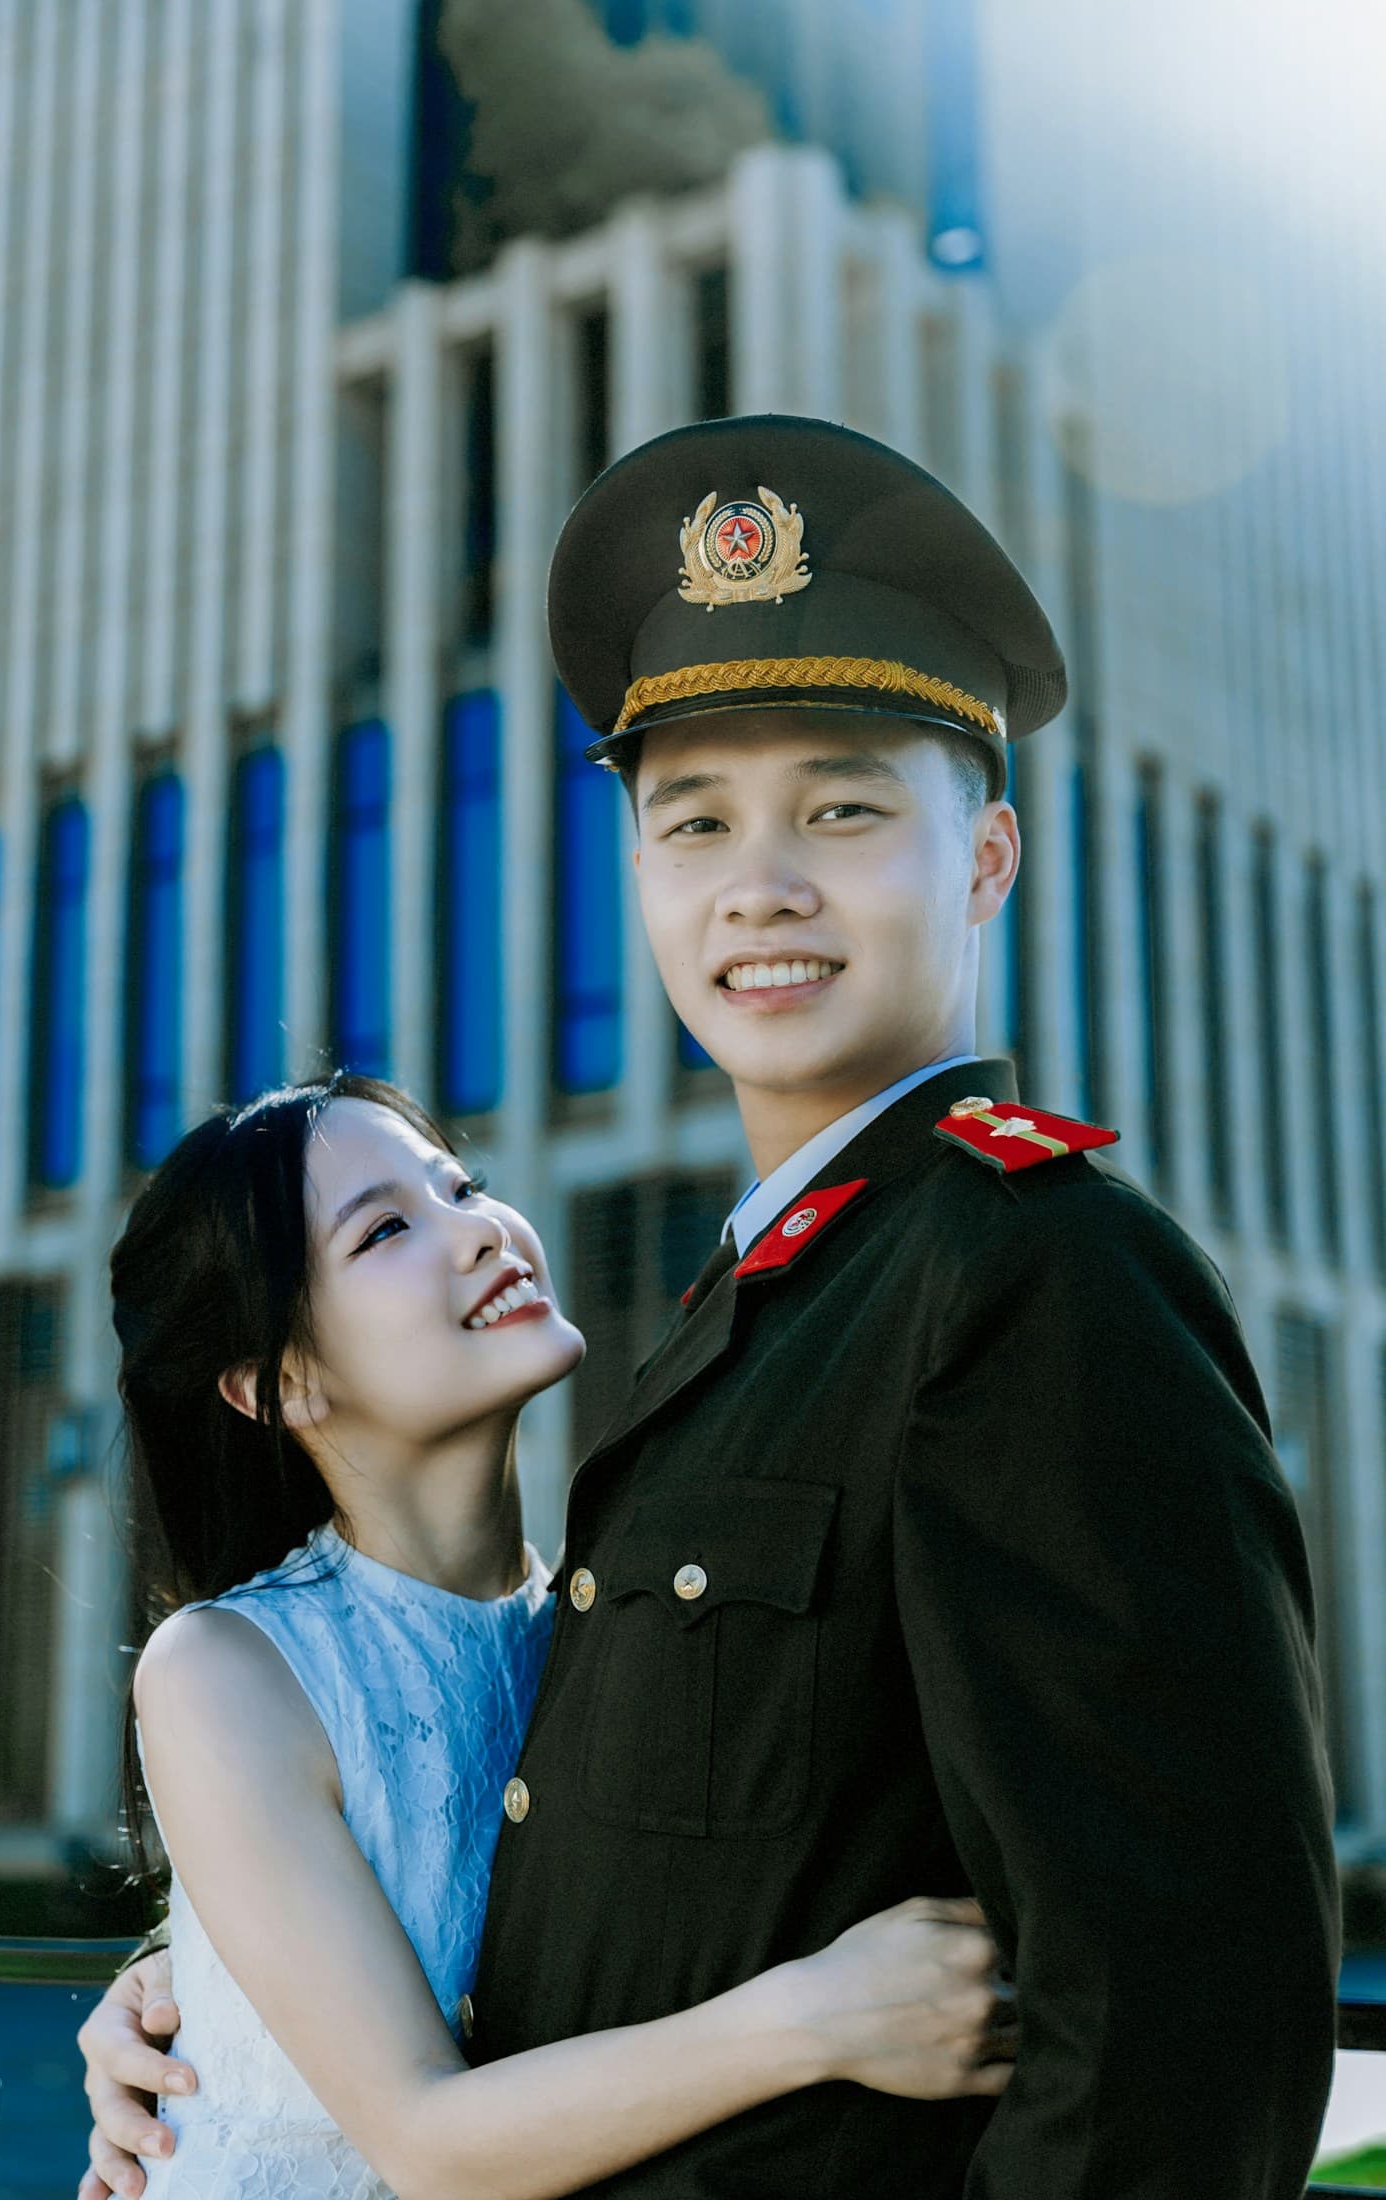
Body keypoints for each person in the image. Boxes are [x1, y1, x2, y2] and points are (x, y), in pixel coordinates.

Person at [80, 418, 1339, 2196]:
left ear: (983, 861)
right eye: (695, 822)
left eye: (842, 808)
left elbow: (1179, 2018)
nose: (761, 882)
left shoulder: (1035, 1272)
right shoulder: (746, 1320)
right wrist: (205, 1993)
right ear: (644, 882)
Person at [91, 1068, 1017, 2200]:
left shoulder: (602, 1619)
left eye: (461, 1185)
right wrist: (820, 2015)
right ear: (281, 1383)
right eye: (386, 1228)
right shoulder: (227, 1667)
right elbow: (425, 2141)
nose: (480, 1230)